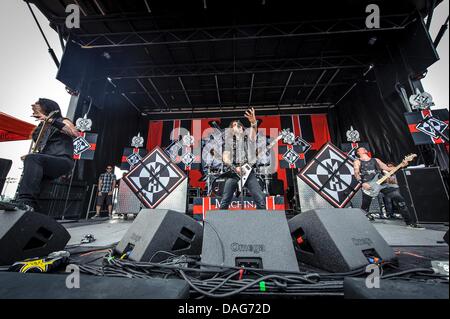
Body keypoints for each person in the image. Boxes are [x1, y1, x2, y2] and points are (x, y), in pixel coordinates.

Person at [15, 98, 79, 212]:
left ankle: (25, 202)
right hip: (45, 162)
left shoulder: (62, 120)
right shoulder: (39, 128)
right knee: (38, 190)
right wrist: (32, 156)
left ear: (47, 107)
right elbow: (41, 148)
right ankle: (31, 211)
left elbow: (74, 133)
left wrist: (51, 121)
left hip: (62, 159)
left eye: (37, 104)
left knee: (32, 159)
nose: (33, 105)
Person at [353, 147, 423, 229]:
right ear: (358, 152)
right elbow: (356, 172)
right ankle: (361, 224)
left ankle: (410, 223)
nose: (364, 148)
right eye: (362, 148)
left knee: (400, 200)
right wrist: (363, 183)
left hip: (382, 184)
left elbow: (387, 168)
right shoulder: (357, 161)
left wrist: (401, 165)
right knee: (364, 209)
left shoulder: (376, 160)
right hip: (369, 186)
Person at [220, 108, 266, 209]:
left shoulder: (248, 139)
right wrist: (234, 168)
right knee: (225, 201)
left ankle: (263, 222)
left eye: (239, 125)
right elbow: (225, 158)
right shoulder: (228, 142)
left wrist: (253, 122)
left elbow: (253, 133)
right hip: (234, 172)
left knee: (260, 200)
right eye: (235, 125)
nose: (238, 126)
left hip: (248, 172)